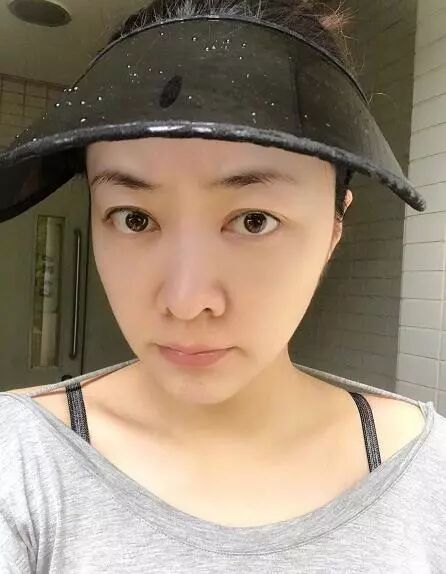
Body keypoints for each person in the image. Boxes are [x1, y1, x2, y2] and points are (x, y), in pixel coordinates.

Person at [0, 0, 444, 572]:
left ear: (335, 228)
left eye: (254, 220)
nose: (186, 302)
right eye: (134, 218)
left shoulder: (428, 475)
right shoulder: (19, 464)